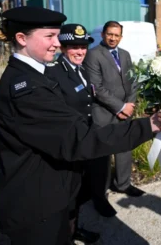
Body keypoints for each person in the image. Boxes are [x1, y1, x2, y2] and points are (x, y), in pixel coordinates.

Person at [0, 6, 161, 245]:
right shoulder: (27, 89)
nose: (58, 44)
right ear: (22, 38)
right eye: (50, 36)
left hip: (49, 194)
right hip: (37, 206)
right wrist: (149, 125)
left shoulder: (36, 76)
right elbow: (79, 139)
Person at [45, 23, 99, 244]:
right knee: (66, 197)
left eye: (83, 46)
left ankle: (73, 229)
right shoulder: (53, 73)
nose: (80, 51)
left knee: (78, 193)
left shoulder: (83, 69)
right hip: (68, 146)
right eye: (74, 47)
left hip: (83, 143)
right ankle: (64, 236)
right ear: (63, 48)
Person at [83, 21, 144, 218]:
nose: (113, 38)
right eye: (110, 34)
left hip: (125, 110)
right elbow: (96, 87)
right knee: (102, 156)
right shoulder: (93, 54)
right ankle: (100, 197)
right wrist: (120, 107)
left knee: (125, 148)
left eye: (117, 35)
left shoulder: (125, 54)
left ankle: (124, 184)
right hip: (104, 113)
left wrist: (130, 104)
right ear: (103, 35)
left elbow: (132, 80)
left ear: (121, 37)